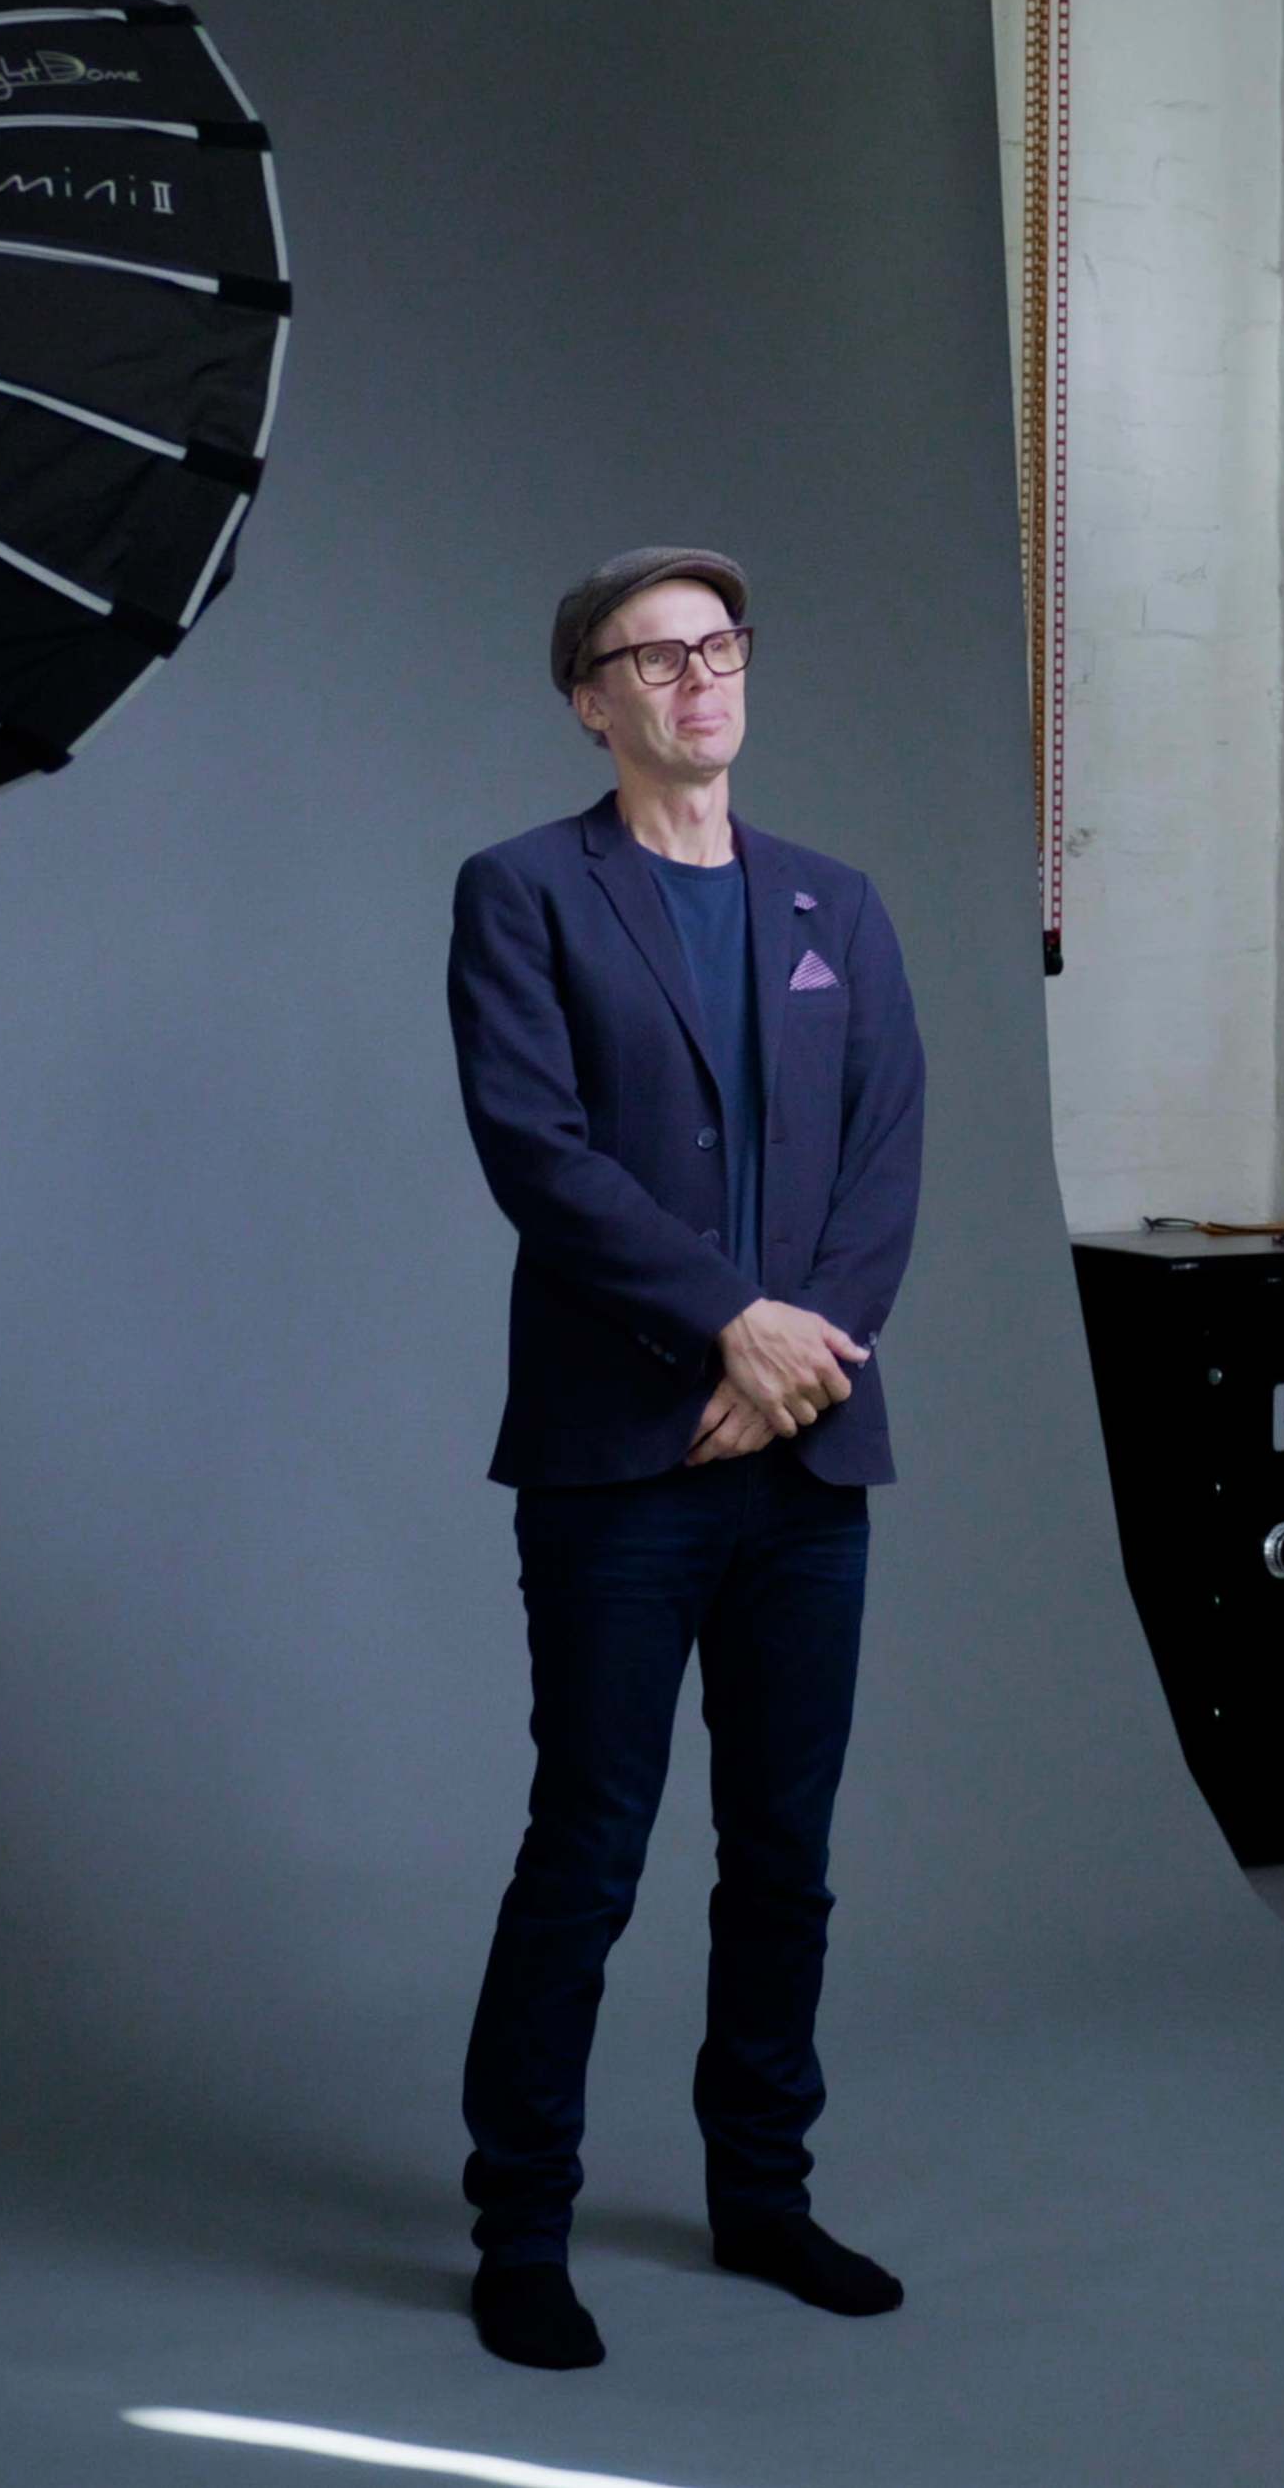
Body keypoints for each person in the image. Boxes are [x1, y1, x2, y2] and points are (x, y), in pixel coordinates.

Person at [444, 545, 927, 2372]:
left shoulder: (837, 905)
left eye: (720, 644)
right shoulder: (523, 893)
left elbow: (885, 1154)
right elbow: (538, 1152)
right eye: (654, 657)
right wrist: (727, 1324)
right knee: (590, 1846)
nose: (700, 676)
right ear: (591, 699)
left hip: (807, 1463)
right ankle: (522, 2225)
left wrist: (796, 1367)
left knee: (785, 1853)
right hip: (618, 1462)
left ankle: (763, 2193)